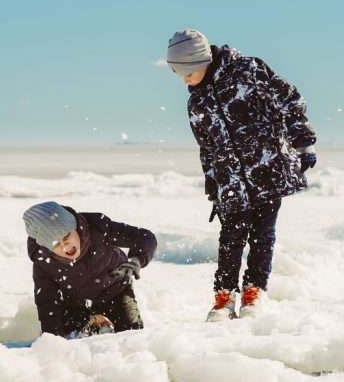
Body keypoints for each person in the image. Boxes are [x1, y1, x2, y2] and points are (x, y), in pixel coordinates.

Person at [166, 29, 317, 321]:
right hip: (230, 182)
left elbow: (288, 99)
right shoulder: (197, 103)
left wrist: (303, 141)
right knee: (230, 237)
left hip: (267, 169)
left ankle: (254, 291)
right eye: (178, 73)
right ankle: (224, 297)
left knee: (263, 235)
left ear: (202, 60)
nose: (184, 78)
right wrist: (214, 188)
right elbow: (207, 150)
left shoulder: (247, 71)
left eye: (188, 71)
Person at [23, 201, 157, 338]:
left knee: (133, 336)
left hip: (116, 290)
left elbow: (144, 237)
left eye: (66, 236)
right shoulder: (43, 261)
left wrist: (136, 260)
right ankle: (93, 324)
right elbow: (48, 301)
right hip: (76, 304)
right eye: (56, 244)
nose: (65, 246)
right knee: (71, 340)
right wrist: (53, 339)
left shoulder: (97, 227)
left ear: (74, 226)